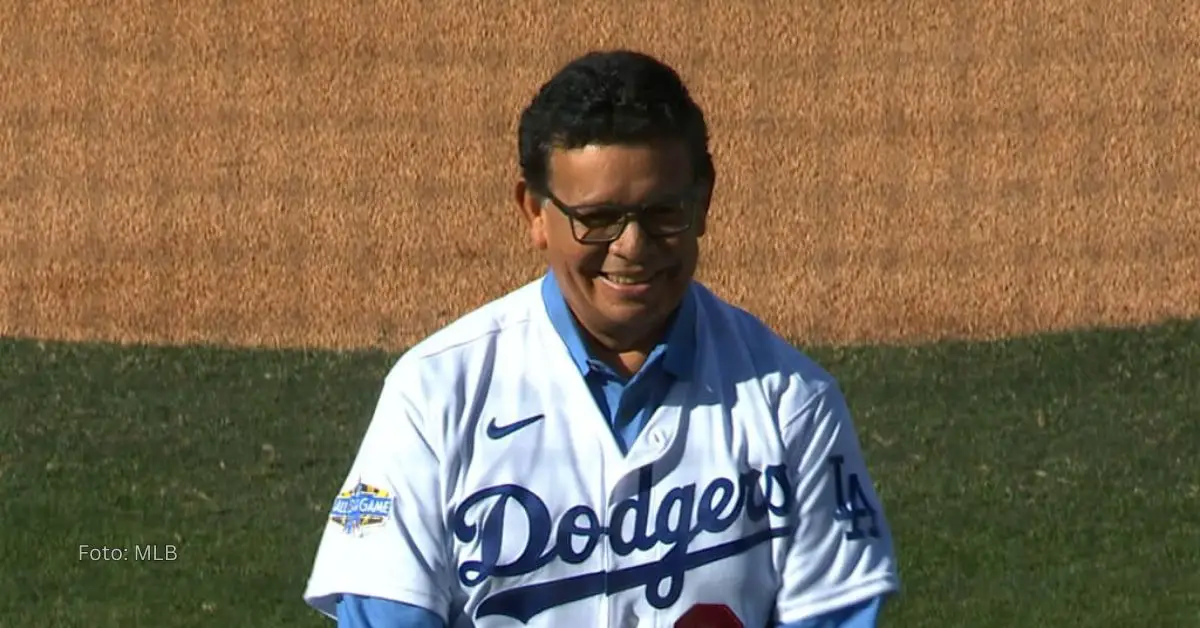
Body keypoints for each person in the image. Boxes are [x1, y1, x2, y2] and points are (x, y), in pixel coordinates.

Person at [302, 49, 900, 627]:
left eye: (663, 214)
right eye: (597, 218)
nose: (632, 248)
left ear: (705, 201)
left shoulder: (791, 405)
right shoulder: (436, 394)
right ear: (535, 212)